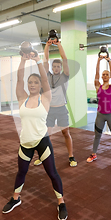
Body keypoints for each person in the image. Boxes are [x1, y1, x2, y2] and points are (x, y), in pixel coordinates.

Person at [2, 51, 67, 220]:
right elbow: (19, 79)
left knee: (52, 173)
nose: (32, 84)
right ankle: (16, 198)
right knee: (21, 172)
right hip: (25, 143)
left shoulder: (45, 98)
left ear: (40, 85)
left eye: (35, 82)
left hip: (42, 141)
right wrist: (23, 61)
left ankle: (61, 202)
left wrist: (38, 60)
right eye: (30, 82)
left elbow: (46, 80)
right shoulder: (22, 97)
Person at [33, 39, 77, 167]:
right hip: (50, 110)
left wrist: (59, 44)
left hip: (61, 109)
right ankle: (43, 156)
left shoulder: (65, 76)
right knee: (46, 135)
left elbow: (64, 58)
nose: (56, 68)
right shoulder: (48, 76)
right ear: (52, 68)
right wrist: (46, 46)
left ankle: (71, 156)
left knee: (66, 133)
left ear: (61, 68)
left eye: (58, 66)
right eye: (54, 66)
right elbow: (45, 60)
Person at [87, 54, 111, 166]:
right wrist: (98, 61)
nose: (104, 76)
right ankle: (94, 154)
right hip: (100, 115)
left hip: (110, 115)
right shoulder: (98, 86)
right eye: (103, 74)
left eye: (106, 75)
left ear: (109, 77)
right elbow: (96, 74)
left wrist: (109, 61)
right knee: (97, 136)